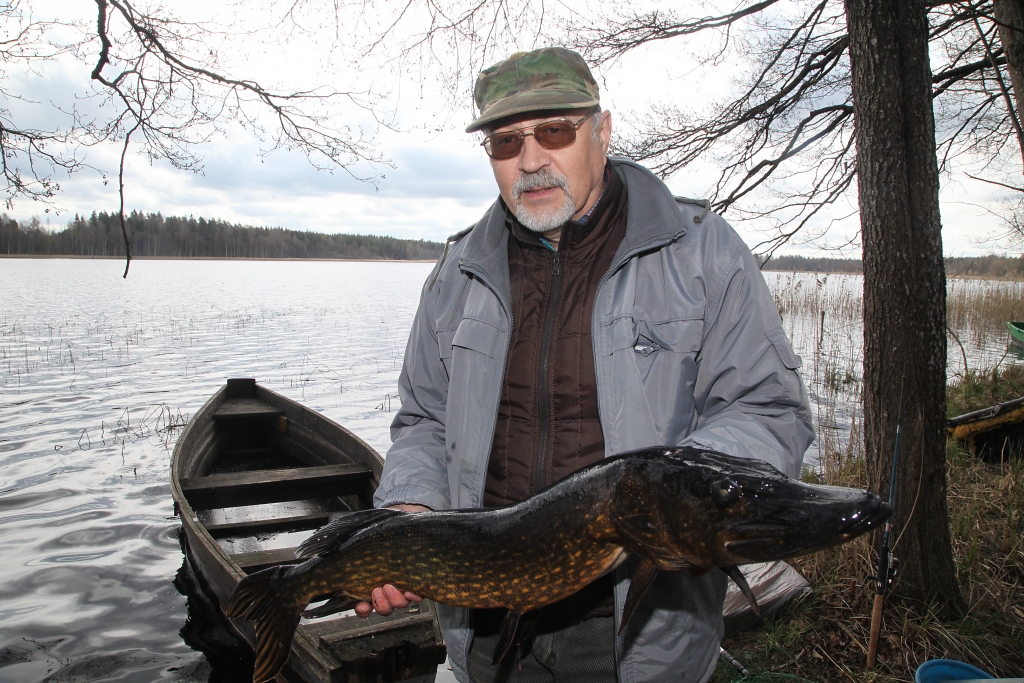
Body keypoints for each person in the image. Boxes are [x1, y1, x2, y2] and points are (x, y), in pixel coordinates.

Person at [361, 47, 814, 683]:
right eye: (505, 142)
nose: (531, 159)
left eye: (554, 131)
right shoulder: (457, 273)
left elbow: (768, 409)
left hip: (635, 627)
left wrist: (675, 493)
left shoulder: (703, 253)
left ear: (602, 132)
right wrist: (411, 509)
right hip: (485, 616)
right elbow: (423, 420)